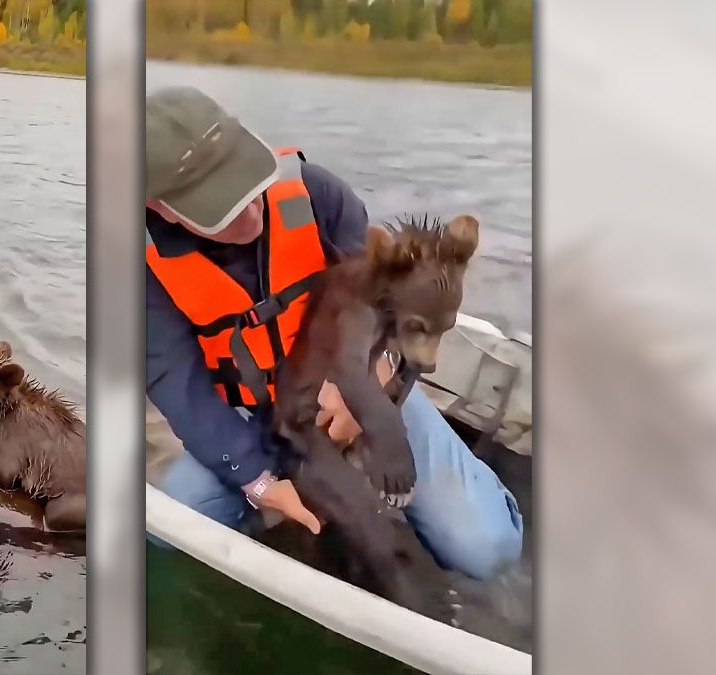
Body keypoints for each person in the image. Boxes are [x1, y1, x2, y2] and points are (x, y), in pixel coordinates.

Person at [145, 85, 524, 580]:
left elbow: (392, 311)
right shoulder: (143, 268)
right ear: (160, 206)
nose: (251, 209)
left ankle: (478, 490)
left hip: (360, 384)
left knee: (488, 548)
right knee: (170, 531)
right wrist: (258, 482)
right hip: (252, 416)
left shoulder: (318, 194)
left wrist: (368, 394)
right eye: (223, 206)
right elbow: (180, 388)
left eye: (245, 180)